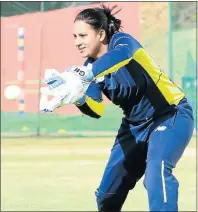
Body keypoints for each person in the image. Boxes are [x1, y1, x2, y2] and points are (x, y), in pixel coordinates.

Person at [42, 4, 194, 212]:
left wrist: (86, 76)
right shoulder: (89, 69)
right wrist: (77, 98)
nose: (77, 42)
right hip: (134, 127)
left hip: (170, 115)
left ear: (101, 34)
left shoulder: (122, 42)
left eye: (83, 36)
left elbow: (121, 56)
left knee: (155, 173)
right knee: (107, 195)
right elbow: (96, 110)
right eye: (75, 37)